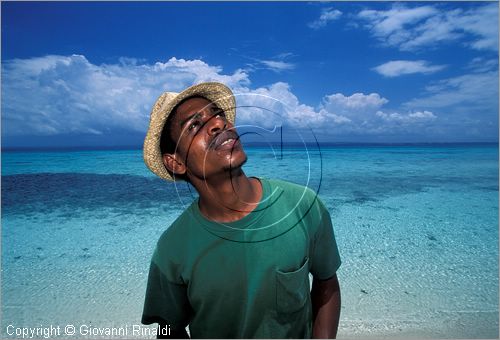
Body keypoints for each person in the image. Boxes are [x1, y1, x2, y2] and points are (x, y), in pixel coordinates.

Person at [141, 82, 342, 339]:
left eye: (218, 115)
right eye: (194, 125)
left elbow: (326, 283)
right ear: (176, 162)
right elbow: (169, 329)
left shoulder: (302, 205)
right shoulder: (172, 248)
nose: (218, 124)